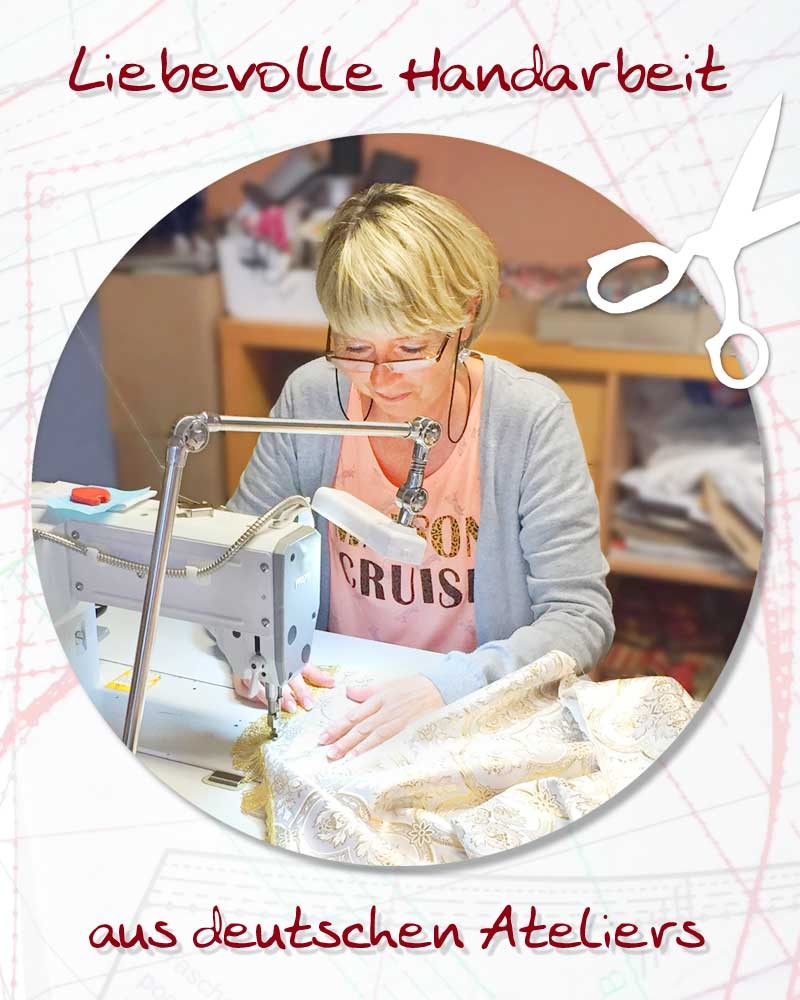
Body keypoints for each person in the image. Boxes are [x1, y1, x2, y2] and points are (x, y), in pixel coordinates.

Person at [228, 183, 614, 761]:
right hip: (335, 695)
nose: (380, 380)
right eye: (356, 348)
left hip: (474, 708)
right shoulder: (312, 397)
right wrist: (254, 643)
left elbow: (579, 618)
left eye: (409, 349)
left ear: (466, 314)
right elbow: (238, 555)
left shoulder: (527, 417)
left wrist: (448, 687)